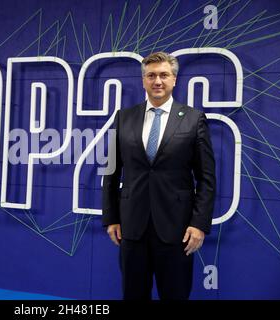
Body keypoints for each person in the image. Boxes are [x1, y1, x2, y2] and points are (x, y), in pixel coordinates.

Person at [102, 52, 216, 300]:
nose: (157, 81)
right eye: (151, 75)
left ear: (174, 79)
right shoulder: (123, 117)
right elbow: (111, 171)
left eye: (164, 75)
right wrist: (111, 217)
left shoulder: (194, 119)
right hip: (132, 228)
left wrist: (199, 224)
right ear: (143, 80)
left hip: (178, 231)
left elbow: (207, 178)